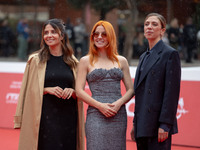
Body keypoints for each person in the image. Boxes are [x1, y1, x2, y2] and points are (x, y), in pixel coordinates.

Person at [14, 19, 85, 150]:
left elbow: (80, 92)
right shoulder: (35, 61)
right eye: (46, 32)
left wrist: (73, 92)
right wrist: (46, 89)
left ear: (62, 36)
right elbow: (26, 91)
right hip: (44, 119)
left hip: (69, 119)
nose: (49, 35)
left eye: (53, 32)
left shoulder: (74, 62)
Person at [75, 20, 134, 150]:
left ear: (111, 36)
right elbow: (79, 91)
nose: (99, 37)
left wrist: (119, 103)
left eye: (104, 34)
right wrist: (100, 106)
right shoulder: (85, 61)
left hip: (118, 115)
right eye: (96, 34)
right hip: (95, 115)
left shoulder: (122, 61)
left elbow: (131, 90)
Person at [131, 13, 181, 150]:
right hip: (142, 125)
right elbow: (140, 94)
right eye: (146, 24)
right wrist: (135, 123)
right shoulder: (142, 57)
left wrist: (165, 125)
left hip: (158, 125)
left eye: (154, 24)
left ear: (162, 30)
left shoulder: (170, 54)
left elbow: (171, 93)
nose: (149, 27)